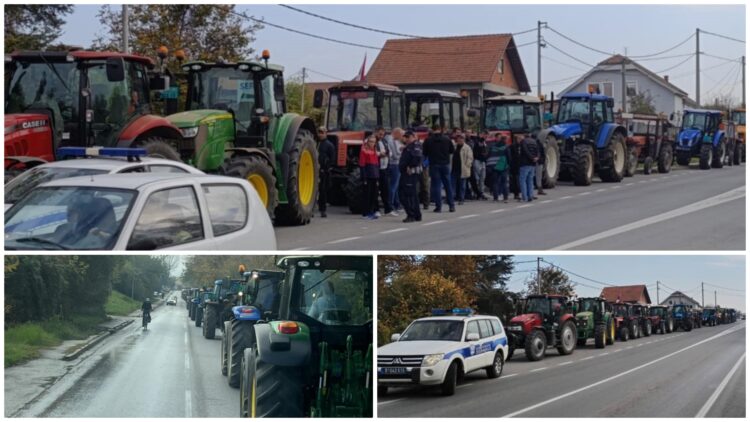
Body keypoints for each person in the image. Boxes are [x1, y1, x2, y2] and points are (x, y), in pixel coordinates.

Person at [423, 124, 455, 213]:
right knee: (448, 185)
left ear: (432, 130)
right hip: (445, 164)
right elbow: (452, 150)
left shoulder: (428, 140)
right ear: (440, 129)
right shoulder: (447, 139)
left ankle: (438, 207)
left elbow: (424, 152)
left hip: (434, 164)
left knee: (436, 186)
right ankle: (451, 206)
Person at [398, 130, 423, 222]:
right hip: (407, 173)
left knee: (407, 195)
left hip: (410, 174)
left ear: (413, 136)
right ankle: (416, 214)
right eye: (406, 137)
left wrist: (410, 166)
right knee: (411, 194)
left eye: (408, 137)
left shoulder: (415, 145)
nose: (407, 139)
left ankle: (411, 215)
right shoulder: (410, 146)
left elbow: (416, 158)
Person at [359, 135, 380, 219]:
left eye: (374, 142)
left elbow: (376, 164)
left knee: (373, 195)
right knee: (367, 195)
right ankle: (366, 213)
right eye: (371, 142)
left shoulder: (374, 151)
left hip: (374, 175)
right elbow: (362, 165)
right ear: (367, 142)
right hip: (368, 176)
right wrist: (364, 178)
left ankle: (371, 211)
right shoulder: (364, 151)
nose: (373, 143)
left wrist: (377, 177)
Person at [375, 127, 394, 216]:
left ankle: (388, 209)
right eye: (380, 134)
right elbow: (371, 152)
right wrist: (379, 154)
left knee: (386, 189)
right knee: (375, 190)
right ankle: (376, 209)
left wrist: (387, 153)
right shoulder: (371, 141)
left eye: (383, 134)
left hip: (385, 168)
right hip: (376, 168)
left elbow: (390, 152)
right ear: (376, 132)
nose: (381, 136)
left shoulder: (384, 141)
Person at [316, 126, 335, 218]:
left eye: (322, 132)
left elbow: (332, 159)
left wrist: (327, 168)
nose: (320, 134)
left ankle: (322, 210)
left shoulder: (329, 145)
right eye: (319, 132)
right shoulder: (316, 143)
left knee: (323, 191)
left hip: (324, 171)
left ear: (325, 133)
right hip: (315, 170)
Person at [487, 134, 512, 202]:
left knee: (495, 182)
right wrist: (509, 165)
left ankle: (496, 197)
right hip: (503, 166)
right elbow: (509, 158)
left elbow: (488, 156)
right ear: (504, 140)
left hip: (494, 166)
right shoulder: (506, 147)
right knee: (504, 182)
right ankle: (505, 197)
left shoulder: (493, 147)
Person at [452, 134, 473, 205]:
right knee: (452, 185)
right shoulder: (454, 146)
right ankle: (452, 198)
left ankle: (461, 199)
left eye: (461, 139)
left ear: (464, 140)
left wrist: (467, 165)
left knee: (462, 185)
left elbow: (470, 158)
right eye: (458, 139)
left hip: (463, 169)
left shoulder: (467, 148)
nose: (460, 140)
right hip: (454, 168)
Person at [387, 128, 405, 213]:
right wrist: (403, 153)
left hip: (395, 164)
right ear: (396, 134)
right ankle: (391, 205)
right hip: (395, 165)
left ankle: (397, 204)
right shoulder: (392, 141)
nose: (403, 137)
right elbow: (394, 155)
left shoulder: (396, 141)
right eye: (402, 135)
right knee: (393, 186)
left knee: (396, 186)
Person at [519, 134, 540, 202]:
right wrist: (536, 158)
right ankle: (530, 196)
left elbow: (525, 151)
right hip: (533, 164)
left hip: (525, 163)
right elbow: (538, 151)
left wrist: (531, 157)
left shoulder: (523, 142)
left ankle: (524, 197)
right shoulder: (534, 141)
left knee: (523, 180)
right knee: (530, 181)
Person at [473, 131, 490, 200]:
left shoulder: (484, 142)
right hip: (477, 160)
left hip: (483, 161)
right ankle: (476, 193)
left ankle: (481, 192)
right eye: (485, 134)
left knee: (482, 178)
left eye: (487, 135)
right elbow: (476, 151)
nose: (486, 136)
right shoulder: (476, 141)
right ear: (481, 134)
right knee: (477, 178)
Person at [509, 135, 522, 201]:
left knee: (516, 180)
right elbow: (515, 156)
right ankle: (517, 193)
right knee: (516, 180)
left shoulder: (513, 146)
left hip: (515, 165)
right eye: (519, 139)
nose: (521, 140)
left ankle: (517, 193)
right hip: (516, 165)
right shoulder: (515, 146)